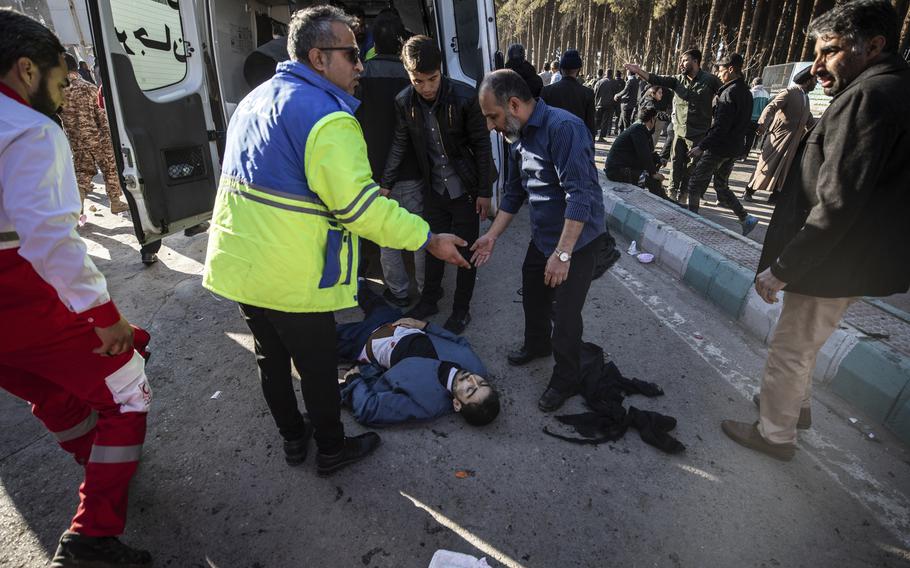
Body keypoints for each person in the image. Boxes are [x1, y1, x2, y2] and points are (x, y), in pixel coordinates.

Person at [202, 6, 470, 476]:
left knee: (271, 359)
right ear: (318, 57)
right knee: (318, 365)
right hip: (291, 272)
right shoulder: (328, 118)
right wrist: (426, 237)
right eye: (351, 53)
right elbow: (359, 208)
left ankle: (293, 439)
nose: (360, 64)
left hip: (239, 262)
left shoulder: (255, 99)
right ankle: (330, 448)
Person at [722, 0, 910, 461]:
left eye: (829, 51)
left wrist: (783, 268)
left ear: (875, 45)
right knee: (804, 344)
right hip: (854, 256)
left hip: (832, 259)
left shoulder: (868, 98)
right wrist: (820, 78)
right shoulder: (891, 87)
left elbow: (838, 201)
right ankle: (794, 408)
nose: (817, 64)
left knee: (790, 347)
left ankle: (775, 434)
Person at [0, 9, 153, 566]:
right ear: (25, 70)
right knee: (129, 388)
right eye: (61, 84)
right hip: (24, 303)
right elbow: (49, 240)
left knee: (53, 394)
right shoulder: (29, 129)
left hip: (9, 334)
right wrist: (105, 315)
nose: (64, 99)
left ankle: (101, 463)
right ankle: (93, 534)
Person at [473, 70, 607, 412]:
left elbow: (579, 196)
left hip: (576, 241)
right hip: (545, 236)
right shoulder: (517, 135)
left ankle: (566, 377)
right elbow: (517, 191)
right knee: (533, 292)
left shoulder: (563, 129)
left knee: (565, 316)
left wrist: (562, 255)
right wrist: (491, 236)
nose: (491, 126)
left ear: (514, 105)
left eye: (493, 117)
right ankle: (537, 345)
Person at [381, 35, 495, 334]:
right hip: (434, 190)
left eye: (432, 79)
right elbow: (400, 142)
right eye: (419, 81)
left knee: (467, 250)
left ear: (441, 70)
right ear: (409, 75)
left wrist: (485, 191)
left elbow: (482, 146)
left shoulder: (464, 96)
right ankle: (430, 299)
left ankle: (461, 309)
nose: (427, 87)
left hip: (466, 190)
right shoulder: (404, 102)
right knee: (432, 247)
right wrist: (385, 184)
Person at [335, 289, 499, 426]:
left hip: (365, 343)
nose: (472, 379)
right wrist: (424, 325)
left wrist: (355, 379)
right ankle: (357, 276)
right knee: (369, 297)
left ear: (457, 404)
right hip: (397, 323)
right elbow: (458, 341)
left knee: (320, 334)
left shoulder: (426, 404)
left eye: (470, 390)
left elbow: (370, 409)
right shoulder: (476, 366)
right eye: (481, 382)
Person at [355, 12, 425, 308]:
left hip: (374, 172)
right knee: (420, 231)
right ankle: (425, 287)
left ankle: (397, 290)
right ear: (401, 42)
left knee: (386, 234)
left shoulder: (361, 76)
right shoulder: (413, 77)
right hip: (412, 169)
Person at [625, 48, 722, 203]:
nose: (681, 64)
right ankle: (671, 193)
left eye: (684, 60)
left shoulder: (710, 80)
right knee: (676, 162)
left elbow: (724, 97)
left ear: (695, 61)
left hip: (699, 133)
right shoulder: (677, 80)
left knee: (691, 167)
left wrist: (717, 121)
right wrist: (638, 71)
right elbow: (656, 79)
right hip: (679, 130)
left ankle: (683, 194)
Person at [682, 53, 759, 235]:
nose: (718, 73)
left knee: (695, 182)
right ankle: (745, 218)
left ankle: (690, 221)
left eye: (721, 70)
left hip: (719, 148)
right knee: (721, 185)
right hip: (733, 148)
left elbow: (720, 128)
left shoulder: (728, 93)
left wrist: (701, 147)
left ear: (731, 69)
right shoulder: (746, 92)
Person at [59, 53, 129, 216]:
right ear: (75, 67)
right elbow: (101, 116)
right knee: (109, 168)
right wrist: (107, 137)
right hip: (97, 137)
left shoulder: (58, 92)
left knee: (82, 172)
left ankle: (78, 208)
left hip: (76, 140)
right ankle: (116, 202)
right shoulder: (89, 88)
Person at [743, 67, 817, 202]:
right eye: (814, 80)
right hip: (778, 138)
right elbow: (771, 107)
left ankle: (775, 196)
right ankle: (749, 190)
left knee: (784, 168)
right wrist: (763, 124)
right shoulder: (789, 93)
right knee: (766, 165)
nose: (816, 83)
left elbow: (808, 118)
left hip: (793, 141)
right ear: (807, 81)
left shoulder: (805, 97)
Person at [604, 107, 666, 199]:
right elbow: (644, 155)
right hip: (617, 171)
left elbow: (647, 152)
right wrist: (653, 173)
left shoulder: (639, 128)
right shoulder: (638, 130)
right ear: (652, 119)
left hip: (623, 168)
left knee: (652, 178)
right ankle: (663, 203)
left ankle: (663, 199)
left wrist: (658, 159)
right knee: (652, 181)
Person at [540, 49, 595, 135]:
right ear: (578, 70)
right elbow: (590, 126)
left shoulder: (547, 91)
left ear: (561, 69)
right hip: (577, 142)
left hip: (551, 142)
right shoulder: (588, 93)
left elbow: (541, 121)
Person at [743, 77, 770, 158]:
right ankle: (745, 154)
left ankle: (739, 153)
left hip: (748, 119)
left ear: (753, 83)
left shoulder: (751, 92)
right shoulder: (766, 94)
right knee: (750, 138)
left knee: (742, 136)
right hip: (759, 120)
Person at [593, 68, 621, 141]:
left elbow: (594, 92)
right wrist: (616, 106)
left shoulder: (599, 82)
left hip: (599, 104)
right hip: (609, 104)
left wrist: (595, 102)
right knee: (605, 121)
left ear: (605, 73)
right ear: (612, 74)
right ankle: (601, 137)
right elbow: (617, 94)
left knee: (597, 120)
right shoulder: (615, 83)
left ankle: (592, 134)